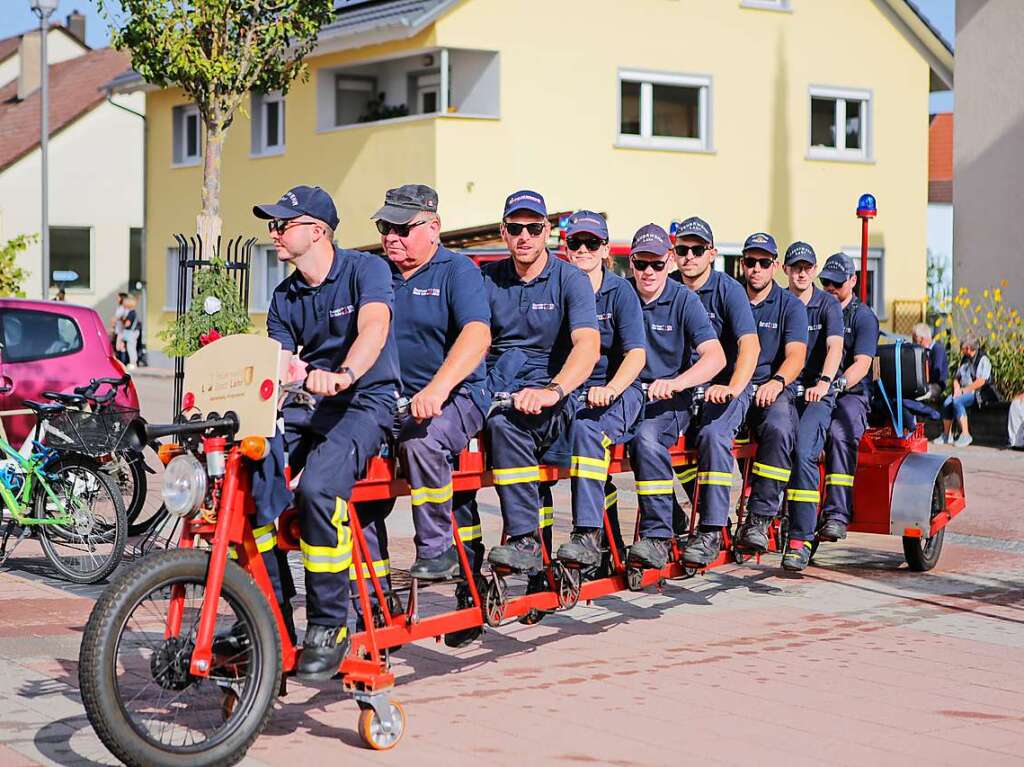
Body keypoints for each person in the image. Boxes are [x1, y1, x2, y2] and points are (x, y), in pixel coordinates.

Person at [251, 184, 401, 680]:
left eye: (282, 225)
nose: (273, 233)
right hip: (308, 406)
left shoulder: (365, 270)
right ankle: (268, 613)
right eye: (272, 225)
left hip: (364, 400)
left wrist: (345, 374)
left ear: (316, 230)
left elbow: (374, 328)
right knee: (246, 480)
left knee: (318, 490)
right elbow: (275, 360)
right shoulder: (285, 294)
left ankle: (330, 624)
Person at [359, 184, 492, 649]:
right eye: (384, 228)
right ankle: (378, 605)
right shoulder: (376, 275)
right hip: (389, 401)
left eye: (402, 228)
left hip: (457, 395)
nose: (391, 237)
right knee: (358, 482)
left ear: (433, 227)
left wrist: (439, 388)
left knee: (424, 443)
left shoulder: (458, 270)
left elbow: (477, 335)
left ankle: (438, 551)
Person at [481, 190, 600, 575]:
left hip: (552, 398)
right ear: (503, 231)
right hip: (495, 390)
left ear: (547, 231)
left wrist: (553, 391)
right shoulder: (487, 279)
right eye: (515, 228)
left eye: (533, 227)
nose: (524, 236)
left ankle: (524, 541)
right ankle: (458, 562)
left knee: (505, 426)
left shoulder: (570, 279)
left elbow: (588, 346)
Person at [622, 224, 725, 570]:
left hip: (669, 402)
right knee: (584, 443)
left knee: (645, 440)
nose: (648, 272)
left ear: (669, 262)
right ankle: (595, 542)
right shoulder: (621, 295)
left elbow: (716, 357)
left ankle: (657, 536)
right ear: (631, 263)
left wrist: (678, 383)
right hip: (625, 396)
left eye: (657, 264)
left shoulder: (685, 300)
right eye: (641, 264)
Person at [553, 212, 647, 569]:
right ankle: (535, 552)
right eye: (576, 243)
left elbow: (636, 354)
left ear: (605, 249)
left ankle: (588, 535)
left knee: (587, 432)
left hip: (619, 391)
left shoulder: (620, 290)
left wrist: (610, 389)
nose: (583, 250)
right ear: (566, 247)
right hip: (572, 391)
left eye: (592, 243)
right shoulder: (558, 286)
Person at [671, 216, 760, 567]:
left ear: (711, 253)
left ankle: (709, 530)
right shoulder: (667, 286)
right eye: (682, 250)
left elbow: (749, 347)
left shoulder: (729, 290)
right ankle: (678, 519)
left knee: (712, 435)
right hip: (682, 388)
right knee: (653, 439)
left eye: (696, 250)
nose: (688, 257)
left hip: (725, 386)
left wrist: (733, 388)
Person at [733, 234, 809, 555]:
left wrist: (777, 382)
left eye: (764, 262)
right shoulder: (731, 297)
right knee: (695, 432)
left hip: (771, 389)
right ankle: (697, 521)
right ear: (742, 263)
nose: (757, 269)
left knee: (779, 428)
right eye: (751, 262)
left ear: (775, 266)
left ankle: (761, 517)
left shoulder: (790, 306)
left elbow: (796, 356)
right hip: (734, 387)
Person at [777, 242, 843, 571]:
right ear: (785, 270)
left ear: (814, 271)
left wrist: (825, 382)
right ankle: (756, 522)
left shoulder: (827, 304)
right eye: (795, 267)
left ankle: (800, 539)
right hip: (785, 390)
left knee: (803, 452)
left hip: (818, 392)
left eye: (807, 267)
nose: (801, 272)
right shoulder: (778, 301)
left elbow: (835, 347)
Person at [816, 253, 879, 543]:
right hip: (815, 389)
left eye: (837, 283)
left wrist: (838, 383)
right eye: (826, 281)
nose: (830, 287)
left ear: (853, 281)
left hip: (850, 394)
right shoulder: (814, 309)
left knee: (839, 432)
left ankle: (837, 514)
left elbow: (862, 364)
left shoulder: (863, 317)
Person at [935, 335, 992, 447]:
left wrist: (964, 390)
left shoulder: (983, 359)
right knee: (947, 402)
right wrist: (956, 388)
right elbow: (957, 377)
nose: (961, 350)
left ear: (968, 348)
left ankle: (966, 435)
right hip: (963, 390)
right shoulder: (965, 359)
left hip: (978, 392)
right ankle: (947, 435)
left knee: (957, 401)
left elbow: (982, 381)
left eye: (963, 348)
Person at [912, 322, 948, 405]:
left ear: (923, 339)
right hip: (925, 383)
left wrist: (925, 384)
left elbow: (936, 373)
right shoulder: (923, 350)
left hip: (936, 385)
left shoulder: (938, 349)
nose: (914, 342)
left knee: (917, 397)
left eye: (915, 340)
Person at [121, 294, 141, 370]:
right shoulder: (134, 312)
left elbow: (127, 324)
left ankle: (133, 363)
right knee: (132, 347)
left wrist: (123, 322)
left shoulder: (130, 313)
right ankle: (133, 363)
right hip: (134, 332)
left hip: (131, 333)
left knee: (131, 348)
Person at [111, 292, 128, 364]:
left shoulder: (124, 309)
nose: (117, 299)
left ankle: (122, 362)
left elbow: (123, 319)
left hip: (122, 331)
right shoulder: (120, 308)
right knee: (120, 347)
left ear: (122, 299)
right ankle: (121, 362)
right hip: (118, 330)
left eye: (118, 298)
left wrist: (116, 319)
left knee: (120, 347)